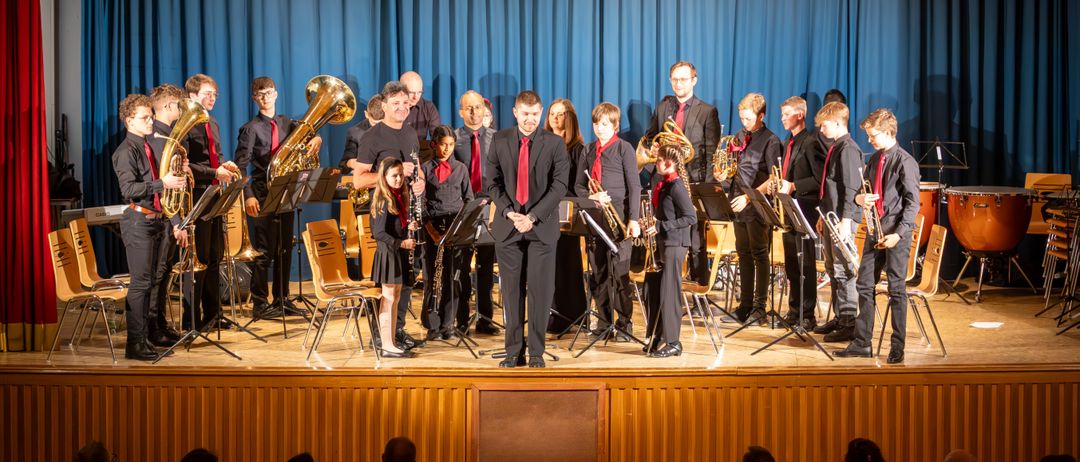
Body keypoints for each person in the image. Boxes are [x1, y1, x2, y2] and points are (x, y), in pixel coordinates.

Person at [485, 90, 569, 368]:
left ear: (541, 112)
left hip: (541, 228)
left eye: (535, 114)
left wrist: (532, 216)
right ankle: (513, 352)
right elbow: (492, 183)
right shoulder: (499, 140)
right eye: (525, 114)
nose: (530, 119)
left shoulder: (555, 143)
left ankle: (535, 353)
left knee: (540, 293)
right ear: (515, 112)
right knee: (511, 293)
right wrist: (510, 212)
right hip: (508, 227)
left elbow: (559, 186)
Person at [341, 80, 426, 350]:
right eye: (395, 104)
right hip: (385, 216)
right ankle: (381, 336)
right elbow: (358, 180)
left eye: (405, 103)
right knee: (388, 282)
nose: (401, 108)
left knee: (405, 279)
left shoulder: (411, 133)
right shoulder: (372, 137)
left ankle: (396, 331)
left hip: (406, 214)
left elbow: (418, 169)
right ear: (385, 106)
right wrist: (394, 173)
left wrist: (421, 180)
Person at [835, 108, 920, 363]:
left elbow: (913, 204)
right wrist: (861, 198)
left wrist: (899, 234)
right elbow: (861, 191)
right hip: (875, 231)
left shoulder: (905, 162)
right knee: (864, 285)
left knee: (896, 290)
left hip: (896, 234)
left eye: (873, 136)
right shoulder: (874, 160)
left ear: (888, 132)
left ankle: (897, 347)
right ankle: (862, 343)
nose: (869, 140)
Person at [234, 76, 320, 319]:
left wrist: (316, 138)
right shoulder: (250, 129)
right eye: (260, 94)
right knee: (264, 250)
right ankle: (260, 303)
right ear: (254, 98)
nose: (265, 97)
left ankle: (282, 299)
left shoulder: (286, 123)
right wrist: (248, 195)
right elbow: (239, 166)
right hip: (261, 192)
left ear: (276, 94)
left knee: (285, 248)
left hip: (286, 189)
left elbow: (307, 137)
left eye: (269, 92)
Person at [111, 93, 188, 360]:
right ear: (129, 120)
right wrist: (162, 183)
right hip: (138, 222)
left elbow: (159, 181)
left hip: (154, 221)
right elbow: (129, 189)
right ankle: (134, 344)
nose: (150, 121)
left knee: (151, 282)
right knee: (140, 284)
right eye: (145, 118)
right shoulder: (125, 151)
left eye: (151, 116)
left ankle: (145, 339)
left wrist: (176, 176)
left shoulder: (146, 146)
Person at [644, 61, 721, 286]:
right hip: (665, 180)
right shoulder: (662, 107)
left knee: (696, 237)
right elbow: (650, 137)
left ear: (694, 80)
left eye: (683, 79)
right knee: (663, 232)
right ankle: (665, 283)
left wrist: (707, 188)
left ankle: (698, 283)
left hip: (693, 180)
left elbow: (711, 151)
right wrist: (654, 149)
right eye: (675, 79)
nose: (679, 84)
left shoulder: (707, 111)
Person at [180, 73, 241, 331]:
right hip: (196, 196)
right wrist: (214, 172)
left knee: (215, 256)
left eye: (215, 94)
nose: (212, 98)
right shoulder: (185, 122)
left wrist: (224, 164)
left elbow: (215, 156)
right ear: (192, 95)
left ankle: (213, 315)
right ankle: (191, 319)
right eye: (207, 93)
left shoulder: (212, 121)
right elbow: (184, 164)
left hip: (214, 194)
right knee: (199, 259)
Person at [575, 102, 640, 340]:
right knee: (599, 273)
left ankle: (625, 323)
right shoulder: (587, 150)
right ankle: (603, 323)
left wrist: (633, 219)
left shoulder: (624, 149)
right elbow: (578, 186)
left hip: (619, 217)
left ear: (615, 125)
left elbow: (634, 186)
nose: (599, 128)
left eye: (605, 124)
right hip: (595, 219)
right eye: (596, 124)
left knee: (620, 273)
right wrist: (591, 196)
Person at [726, 93, 782, 324]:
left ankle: (760, 307)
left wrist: (749, 199)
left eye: (748, 119)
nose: (744, 123)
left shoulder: (771, 140)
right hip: (738, 202)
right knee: (743, 254)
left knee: (759, 254)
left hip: (756, 204)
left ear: (761, 115)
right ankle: (745, 305)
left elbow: (773, 178)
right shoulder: (739, 136)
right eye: (741, 118)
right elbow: (732, 167)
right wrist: (724, 174)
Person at [772, 96, 825, 330]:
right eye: (782, 114)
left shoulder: (812, 142)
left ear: (800, 115)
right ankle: (794, 311)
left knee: (806, 265)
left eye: (787, 114)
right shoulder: (789, 141)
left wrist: (794, 186)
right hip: (789, 209)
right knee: (792, 264)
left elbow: (819, 180)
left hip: (805, 209)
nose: (782, 118)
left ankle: (808, 314)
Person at [813, 102, 864, 343]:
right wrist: (824, 216)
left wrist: (845, 221)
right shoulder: (836, 147)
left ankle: (848, 322)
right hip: (831, 218)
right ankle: (839, 315)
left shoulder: (848, 149)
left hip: (843, 220)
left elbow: (851, 188)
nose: (821, 130)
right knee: (833, 269)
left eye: (824, 125)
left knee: (844, 270)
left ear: (836, 122)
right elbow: (831, 187)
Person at [452, 90, 499, 335]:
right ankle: (460, 319)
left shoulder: (497, 138)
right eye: (468, 108)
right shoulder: (453, 138)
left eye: (478, 107)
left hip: (489, 208)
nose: (474, 112)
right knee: (460, 268)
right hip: (462, 211)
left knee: (485, 268)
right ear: (461, 111)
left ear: (485, 109)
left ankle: (485, 319)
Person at [642, 144, 696, 357]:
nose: (655, 163)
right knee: (653, 289)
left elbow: (690, 217)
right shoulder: (665, 185)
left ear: (669, 162)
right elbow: (667, 214)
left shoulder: (676, 186)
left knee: (670, 292)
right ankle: (658, 337)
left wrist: (660, 226)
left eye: (658, 160)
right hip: (664, 243)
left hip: (675, 244)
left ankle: (674, 342)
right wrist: (652, 222)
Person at [420, 126, 474, 340]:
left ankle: (448, 324)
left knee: (452, 277)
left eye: (451, 145)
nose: (447, 149)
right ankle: (432, 324)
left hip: (455, 227)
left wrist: (461, 227)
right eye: (443, 144)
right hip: (433, 227)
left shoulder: (460, 168)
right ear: (433, 144)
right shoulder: (424, 169)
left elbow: (468, 199)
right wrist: (432, 231)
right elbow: (420, 202)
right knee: (432, 277)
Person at [146, 83, 186, 345]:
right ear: (170, 106)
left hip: (168, 218)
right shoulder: (157, 139)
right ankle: (153, 328)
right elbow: (162, 186)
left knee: (166, 271)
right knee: (157, 274)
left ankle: (160, 323)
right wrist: (176, 222)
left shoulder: (168, 138)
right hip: (161, 219)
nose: (181, 110)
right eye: (179, 106)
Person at [544, 98, 588, 333]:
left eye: (561, 114)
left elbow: (577, 184)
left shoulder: (578, 149)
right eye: (552, 113)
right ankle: (554, 313)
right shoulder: (541, 144)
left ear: (569, 118)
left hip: (566, 211)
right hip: (543, 212)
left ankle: (573, 314)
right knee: (549, 265)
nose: (556, 118)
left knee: (567, 264)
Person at [370, 157, 421, 358]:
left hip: (395, 254)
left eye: (401, 175)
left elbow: (394, 227)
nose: (399, 179)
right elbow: (379, 233)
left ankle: (391, 342)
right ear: (384, 177)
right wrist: (402, 243)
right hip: (388, 254)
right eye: (394, 176)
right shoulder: (383, 199)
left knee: (396, 299)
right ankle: (387, 345)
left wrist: (407, 227)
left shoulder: (397, 197)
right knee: (388, 299)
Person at [400, 71, 443, 159]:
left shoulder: (428, 107)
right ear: (401, 90)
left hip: (420, 155)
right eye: (411, 92)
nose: (416, 97)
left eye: (419, 92)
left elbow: (437, 137)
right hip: (396, 155)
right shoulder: (392, 107)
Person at [340, 93, 384, 173]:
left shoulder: (396, 126)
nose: (377, 128)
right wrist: (351, 163)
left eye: (381, 124)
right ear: (366, 114)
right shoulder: (355, 133)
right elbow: (343, 165)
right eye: (374, 123)